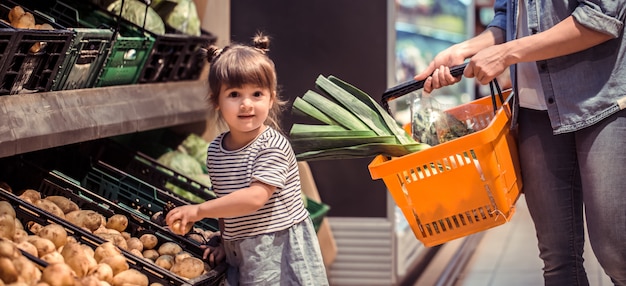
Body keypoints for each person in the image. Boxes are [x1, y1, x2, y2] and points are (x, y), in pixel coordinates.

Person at [413, 1, 626, 285]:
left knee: (617, 254)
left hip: (601, 101)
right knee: (558, 261)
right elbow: (508, 17)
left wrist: (508, 53)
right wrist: (464, 50)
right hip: (534, 108)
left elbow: (601, 17)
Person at [165, 33, 329, 286]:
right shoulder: (216, 150)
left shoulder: (272, 145)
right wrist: (224, 241)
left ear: (271, 98)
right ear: (216, 100)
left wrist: (199, 210)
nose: (246, 104)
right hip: (242, 248)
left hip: (278, 249)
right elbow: (226, 201)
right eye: (233, 94)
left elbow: (255, 198)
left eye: (256, 94)